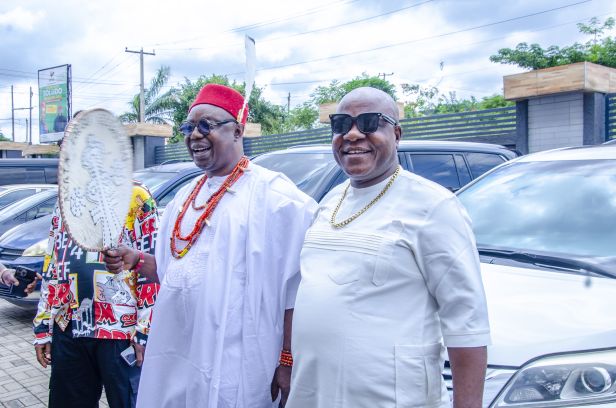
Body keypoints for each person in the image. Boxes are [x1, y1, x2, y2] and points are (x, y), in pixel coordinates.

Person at [103, 84, 317, 408]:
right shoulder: (184, 196)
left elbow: (297, 292)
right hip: (180, 353)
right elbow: (174, 272)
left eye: (206, 125)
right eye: (188, 127)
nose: (194, 135)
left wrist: (287, 360)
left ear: (238, 131)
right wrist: (136, 260)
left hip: (238, 360)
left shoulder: (277, 199)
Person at [287, 87, 491, 408]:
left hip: (392, 398)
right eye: (341, 124)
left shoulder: (433, 205)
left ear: (396, 134)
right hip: (315, 394)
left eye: (369, 122)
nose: (353, 134)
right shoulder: (330, 201)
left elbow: (467, 323)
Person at [33, 180, 159, 408]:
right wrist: (43, 326)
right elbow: (52, 262)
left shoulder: (136, 195)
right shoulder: (65, 200)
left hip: (120, 331)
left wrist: (145, 331)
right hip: (68, 325)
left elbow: (152, 269)